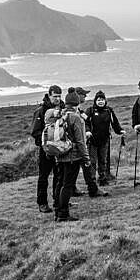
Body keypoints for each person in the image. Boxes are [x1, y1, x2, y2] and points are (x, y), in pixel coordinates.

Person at [51, 88, 90, 222]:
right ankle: (63, 214)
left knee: (60, 183)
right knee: (68, 185)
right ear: (77, 103)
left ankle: (58, 210)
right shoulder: (75, 118)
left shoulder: (61, 114)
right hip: (73, 156)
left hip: (60, 154)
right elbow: (80, 141)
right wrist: (86, 157)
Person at [30, 85, 62, 213]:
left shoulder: (62, 108)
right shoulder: (41, 111)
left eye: (59, 96)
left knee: (59, 175)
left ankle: (58, 200)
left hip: (60, 148)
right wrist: (45, 144)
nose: (58, 99)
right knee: (44, 176)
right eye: (55, 96)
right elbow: (35, 131)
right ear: (49, 95)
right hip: (46, 149)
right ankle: (42, 203)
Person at [85, 90, 124, 185]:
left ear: (105, 101)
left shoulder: (109, 111)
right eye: (98, 100)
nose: (100, 102)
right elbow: (85, 122)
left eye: (102, 100)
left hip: (105, 140)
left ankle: (102, 179)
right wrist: (87, 131)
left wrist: (120, 131)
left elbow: (115, 123)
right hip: (92, 140)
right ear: (95, 101)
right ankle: (92, 180)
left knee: (103, 161)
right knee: (92, 161)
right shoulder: (90, 111)